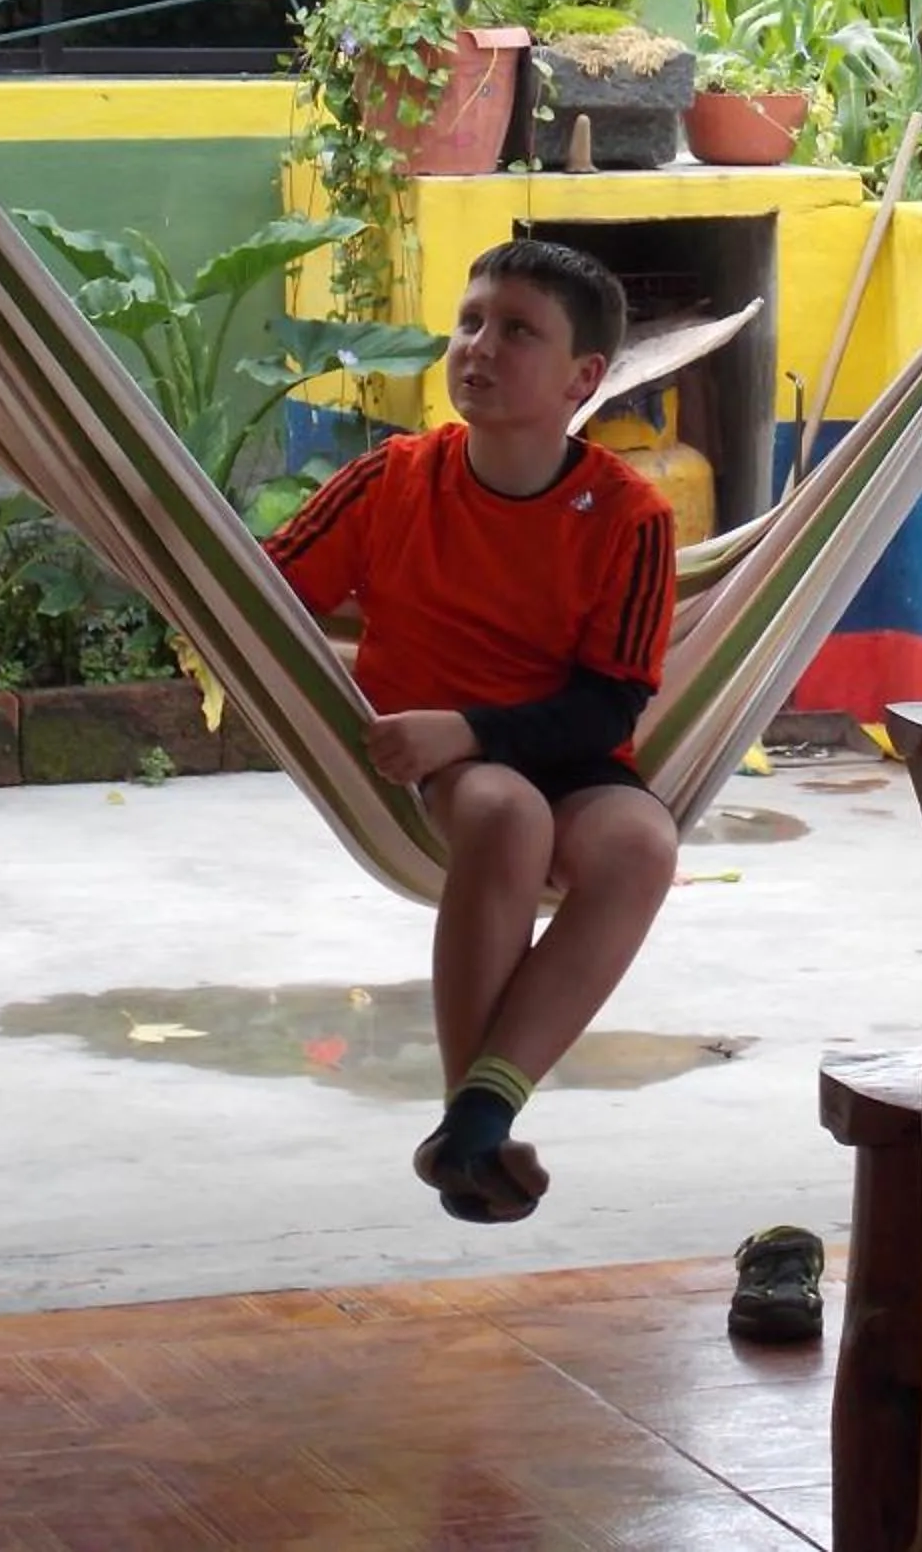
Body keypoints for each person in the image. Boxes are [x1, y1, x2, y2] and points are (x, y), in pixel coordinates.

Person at [267, 238, 679, 1224]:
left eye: (518, 332)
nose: (479, 348)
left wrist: (473, 728)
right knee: (504, 812)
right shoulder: (393, 481)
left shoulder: (630, 518)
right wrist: (164, 533)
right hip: (443, 768)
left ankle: (477, 1121)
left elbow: (608, 704)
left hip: (567, 752)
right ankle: (474, 1123)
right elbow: (262, 595)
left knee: (642, 845)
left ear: (585, 376)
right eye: (471, 322)